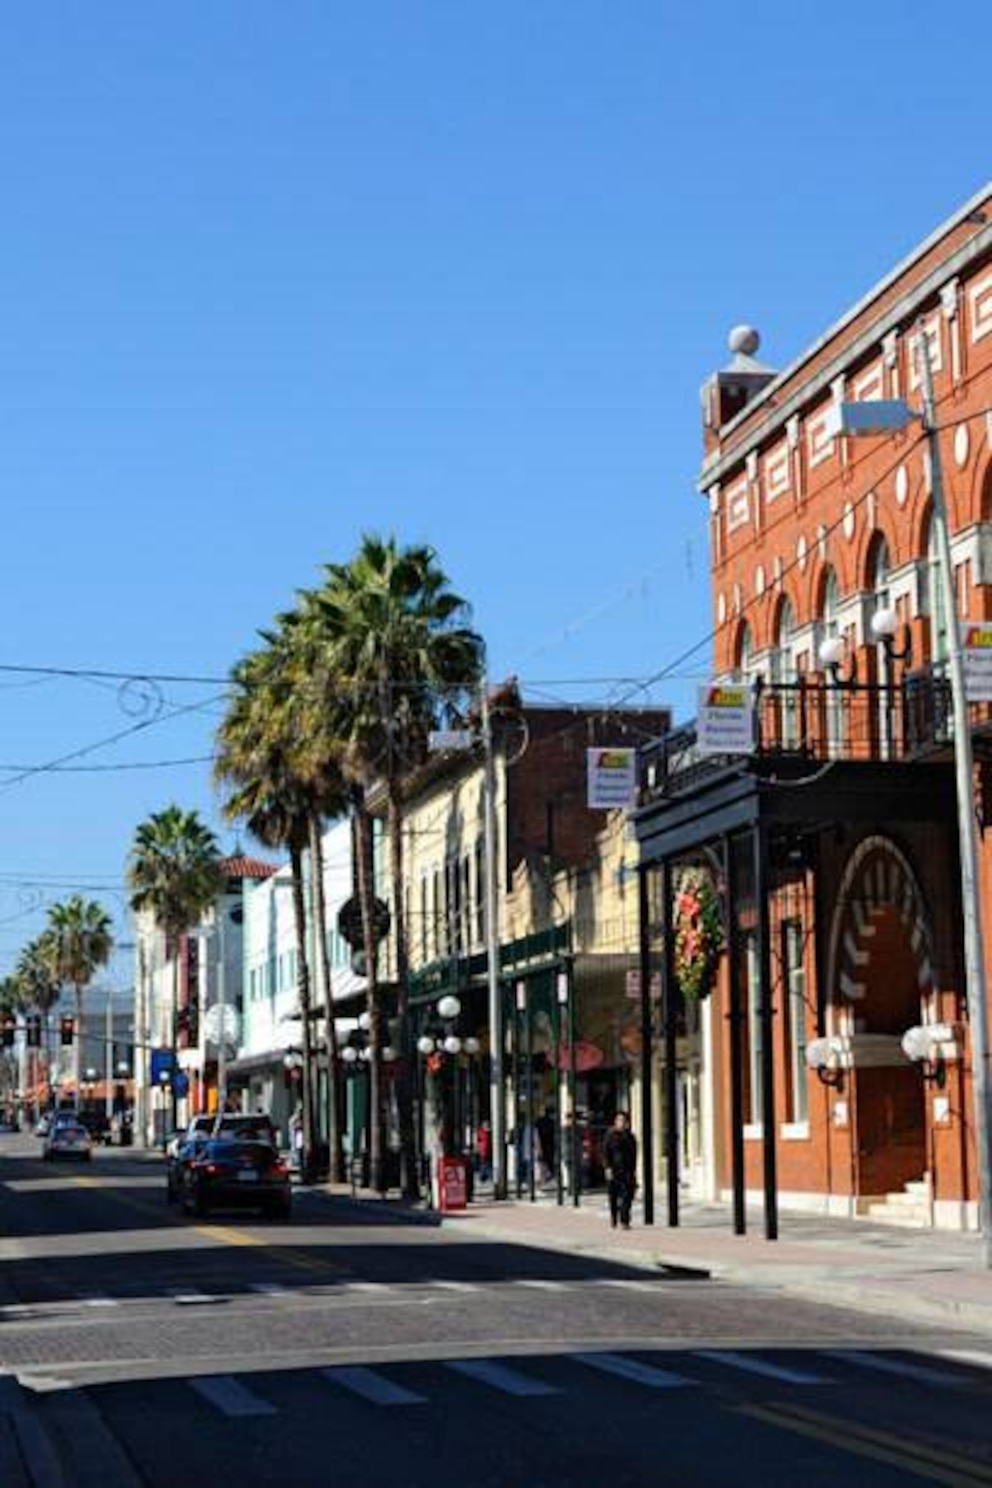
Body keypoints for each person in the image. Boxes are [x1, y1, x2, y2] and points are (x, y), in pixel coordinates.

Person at [603, 1111, 638, 1230]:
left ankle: (625, 1220)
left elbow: (634, 1155)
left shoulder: (630, 1137)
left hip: (627, 1170)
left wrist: (633, 1171)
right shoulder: (610, 1136)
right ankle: (614, 1217)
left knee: (628, 1195)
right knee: (613, 1196)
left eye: (623, 1121)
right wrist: (607, 1168)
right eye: (619, 1120)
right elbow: (605, 1153)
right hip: (614, 1170)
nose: (621, 1123)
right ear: (615, 1122)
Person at [536, 1107, 556, 1185]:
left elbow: (536, 1134)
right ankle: (547, 1177)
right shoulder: (552, 1122)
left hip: (543, 1144)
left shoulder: (539, 1122)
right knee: (549, 1162)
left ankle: (543, 1179)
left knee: (542, 1163)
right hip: (550, 1145)